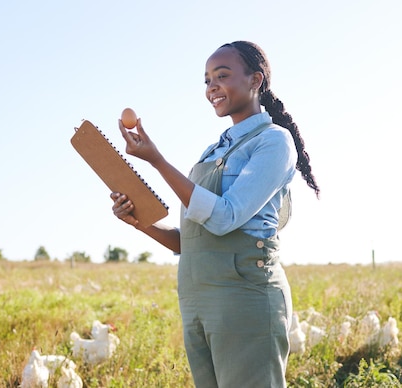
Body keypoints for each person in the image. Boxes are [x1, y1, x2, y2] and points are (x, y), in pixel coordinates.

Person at [111, 41, 319, 388]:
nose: (212, 87)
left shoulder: (273, 142)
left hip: (243, 296)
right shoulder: (213, 151)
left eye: (221, 76)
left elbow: (224, 218)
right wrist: (138, 220)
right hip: (197, 297)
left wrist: (158, 161)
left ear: (256, 80)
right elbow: (190, 240)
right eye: (207, 80)